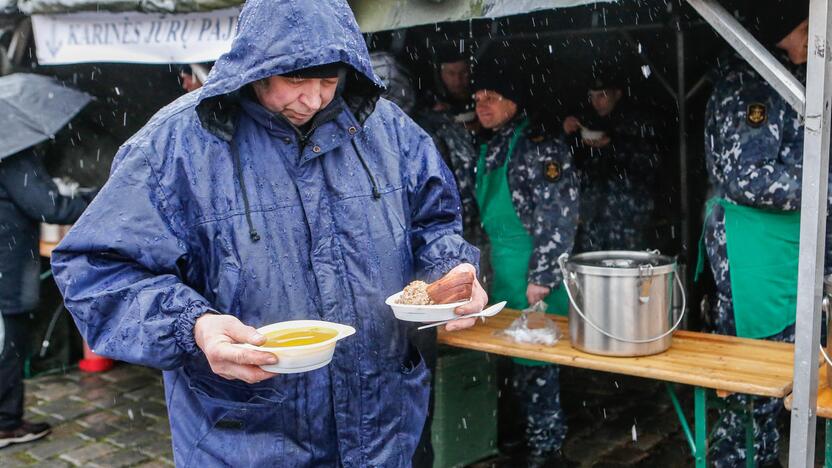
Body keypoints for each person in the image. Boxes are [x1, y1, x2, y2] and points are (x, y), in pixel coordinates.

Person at [51, 1, 487, 466]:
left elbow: (435, 221)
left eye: (328, 79)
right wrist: (192, 325)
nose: (315, 99)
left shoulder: (390, 131)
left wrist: (450, 273)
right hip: (247, 437)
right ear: (256, 68)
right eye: (297, 80)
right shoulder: (173, 146)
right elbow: (97, 268)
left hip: (385, 429)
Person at [697, 1, 816, 466]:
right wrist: (820, 185)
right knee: (754, 377)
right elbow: (749, 178)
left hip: (775, 252)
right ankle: (739, 458)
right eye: (806, 27)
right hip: (752, 255)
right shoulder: (753, 84)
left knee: (775, 373)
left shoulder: (781, 73)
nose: (813, 36)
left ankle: (759, 456)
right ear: (781, 30)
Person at [458, 49, 579, 467]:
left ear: (514, 99)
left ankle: (549, 450)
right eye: (477, 98)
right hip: (501, 269)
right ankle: (518, 439)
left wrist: (543, 275)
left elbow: (559, 215)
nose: (482, 105)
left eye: (491, 96)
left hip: (531, 270)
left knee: (538, 364)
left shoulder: (538, 146)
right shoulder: (493, 145)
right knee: (511, 363)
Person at [0, 147, 93, 448]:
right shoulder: (10, 150)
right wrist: (99, 198)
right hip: (6, 266)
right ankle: (5, 424)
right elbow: (49, 206)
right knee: (9, 342)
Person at [562, 71, 661, 252]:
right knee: (592, 268)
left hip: (627, 214)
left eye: (602, 95)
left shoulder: (637, 121)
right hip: (593, 215)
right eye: (592, 96)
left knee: (626, 267)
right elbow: (572, 163)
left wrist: (613, 143)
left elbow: (651, 159)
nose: (596, 102)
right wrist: (568, 133)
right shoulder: (588, 121)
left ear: (617, 94)